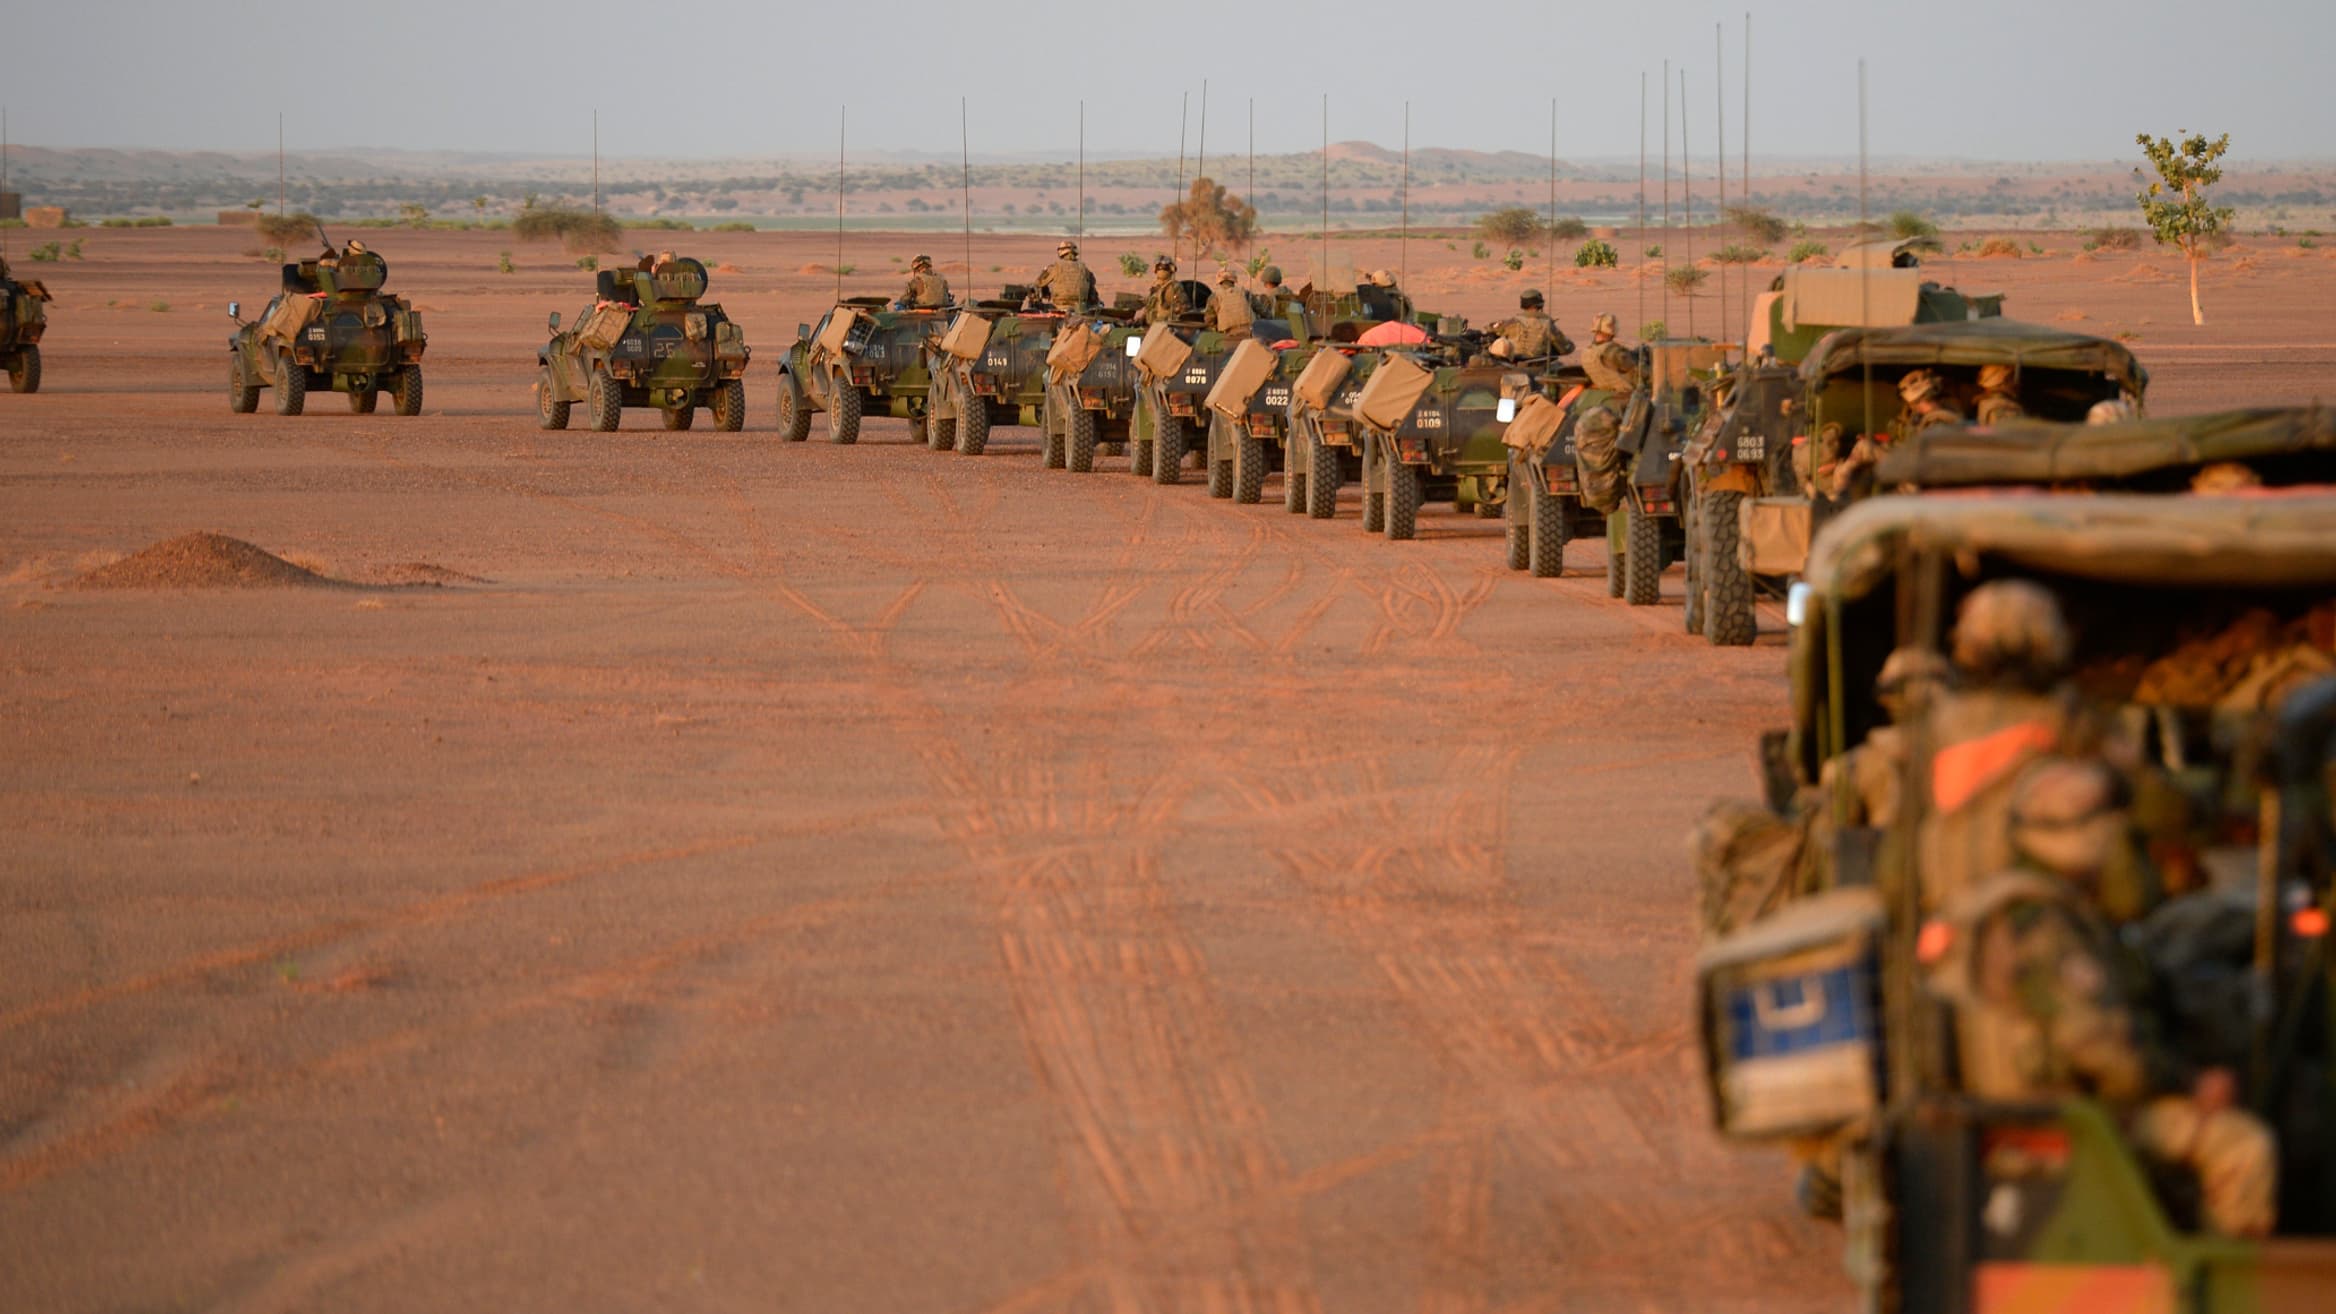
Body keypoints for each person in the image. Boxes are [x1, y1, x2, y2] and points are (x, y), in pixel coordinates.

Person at [1932, 758, 2277, 1238]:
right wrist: (2188, 1083)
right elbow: (2101, 1047)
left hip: (2027, 1110)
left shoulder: (2010, 902)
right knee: (2242, 1146)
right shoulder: (2044, 924)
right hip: (2066, 1118)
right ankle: (2224, 1292)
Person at [1831, 369, 1965, 497]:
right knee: (1864, 447)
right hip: (1910, 465)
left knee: (1864, 449)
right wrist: (1880, 443)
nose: (1913, 407)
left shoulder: (1940, 421)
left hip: (1919, 474)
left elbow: (1927, 458)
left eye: (1915, 402)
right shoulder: (1923, 417)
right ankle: (1842, 492)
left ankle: (1841, 496)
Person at [1488, 289, 1572, 361]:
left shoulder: (1511, 322)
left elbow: (1490, 329)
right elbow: (1566, 348)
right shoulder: (1547, 324)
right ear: (1540, 304)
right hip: (1539, 365)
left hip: (1513, 363)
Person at [1031, 240, 1097, 311]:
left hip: (1059, 307)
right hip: (1081, 308)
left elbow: (1038, 283)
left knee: (1032, 290)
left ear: (1061, 252)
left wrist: (1043, 273)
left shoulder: (1056, 267)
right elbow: (1092, 290)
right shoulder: (1084, 269)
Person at [1582, 312, 1641, 392]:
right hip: (1623, 393)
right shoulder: (1613, 351)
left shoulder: (1586, 352)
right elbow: (1631, 364)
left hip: (1602, 392)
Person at [1206, 267, 1254, 335]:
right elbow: (1260, 309)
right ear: (1234, 279)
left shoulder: (1214, 296)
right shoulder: (1244, 292)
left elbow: (1209, 320)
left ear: (1219, 281)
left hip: (1228, 334)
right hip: (1249, 331)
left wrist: (1215, 328)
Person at [1144, 256, 1187, 326]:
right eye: (1159, 267)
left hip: (1167, 325)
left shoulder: (1174, 287)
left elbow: (1183, 308)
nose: (1161, 270)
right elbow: (1149, 307)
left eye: (1164, 268)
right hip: (1152, 325)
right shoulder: (1156, 288)